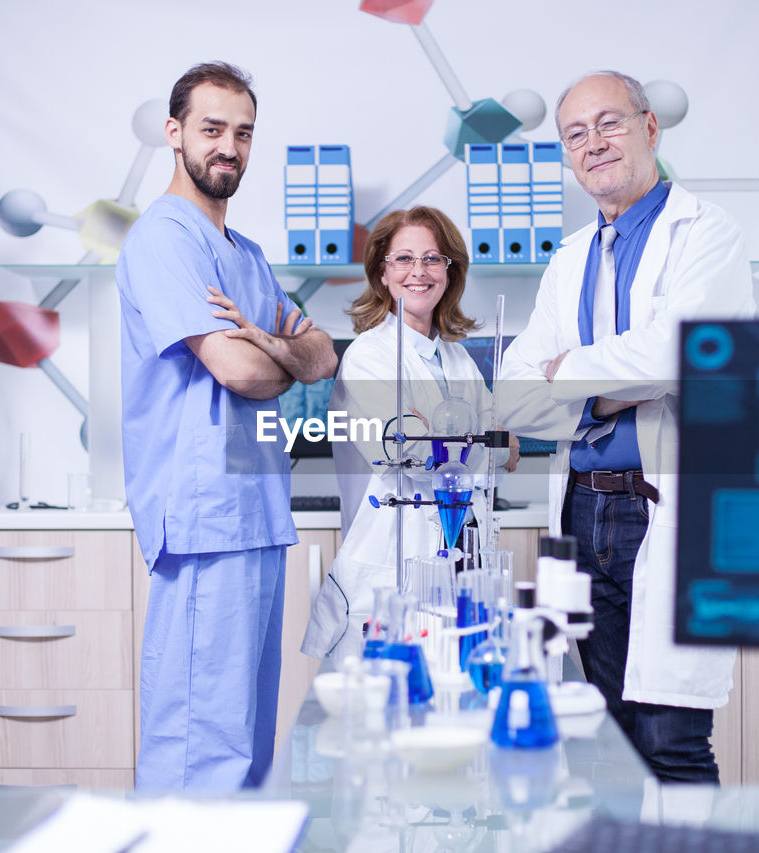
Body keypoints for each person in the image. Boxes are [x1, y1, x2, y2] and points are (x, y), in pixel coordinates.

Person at [497, 71, 755, 783]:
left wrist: (571, 381)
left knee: (671, 739)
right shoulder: (568, 259)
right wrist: (607, 393)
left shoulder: (708, 234)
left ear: (650, 128)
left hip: (660, 508)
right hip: (583, 510)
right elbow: (516, 397)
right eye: (575, 134)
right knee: (605, 742)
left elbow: (678, 349)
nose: (594, 144)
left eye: (608, 123)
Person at [116, 61, 337, 793]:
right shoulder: (164, 238)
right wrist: (276, 354)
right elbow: (241, 373)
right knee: (198, 753)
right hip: (206, 519)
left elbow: (321, 355)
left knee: (246, 751)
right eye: (212, 129)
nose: (229, 147)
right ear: (174, 133)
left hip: (257, 517)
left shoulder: (246, 257)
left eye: (243, 133)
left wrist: (267, 345)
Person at [301, 206, 518, 660]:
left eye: (433, 259)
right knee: (383, 716)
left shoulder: (456, 359)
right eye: (403, 259)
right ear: (382, 273)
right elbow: (407, 453)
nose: (418, 272)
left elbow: (508, 450)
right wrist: (471, 437)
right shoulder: (367, 357)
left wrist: (443, 434)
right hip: (391, 571)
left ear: (449, 271)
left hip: (460, 563)